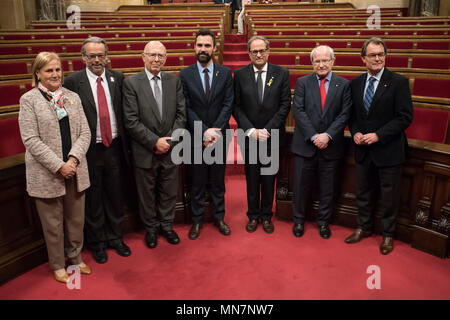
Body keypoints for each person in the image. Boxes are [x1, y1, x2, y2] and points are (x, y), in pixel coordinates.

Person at [18, 52, 91, 283]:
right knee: (53, 224)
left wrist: (73, 160)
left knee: (76, 220)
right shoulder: (29, 100)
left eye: (58, 69)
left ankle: (76, 257)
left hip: (75, 169)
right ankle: (58, 264)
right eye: (49, 70)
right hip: (47, 173)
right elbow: (30, 140)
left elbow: (85, 133)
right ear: (37, 73)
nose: (55, 74)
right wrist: (59, 166)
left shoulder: (72, 97)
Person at [63, 37, 131, 264]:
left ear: (107, 56)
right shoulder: (73, 82)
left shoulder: (117, 78)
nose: (96, 60)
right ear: (83, 57)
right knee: (94, 198)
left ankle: (116, 237)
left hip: (115, 147)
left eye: (101, 55)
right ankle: (98, 243)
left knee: (115, 194)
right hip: (88, 150)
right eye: (91, 55)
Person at [345, 37, 413, 255]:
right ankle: (363, 227)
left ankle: (388, 235)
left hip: (389, 149)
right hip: (363, 149)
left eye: (380, 54)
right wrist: (355, 132)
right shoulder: (355, 83)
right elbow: (352, 116)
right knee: (363, 191)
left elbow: (405, 117)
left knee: (389, 196)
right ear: (363, 59)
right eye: (372, 55)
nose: (377, 58)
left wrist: (378, 135)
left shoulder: (398, 82)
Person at [123, 41, 186, 249]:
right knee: (146, 193)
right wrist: (154, 142)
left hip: (170, 148)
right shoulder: (132, 83)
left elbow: (181, 114)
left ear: (166, 58)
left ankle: (167, 226)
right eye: (152, 55)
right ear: (143, 57)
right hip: (145, 150)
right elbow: (131, 121)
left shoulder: (173, 81)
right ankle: (150, 228)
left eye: (161, 55)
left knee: (169, 192)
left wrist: (169, 141)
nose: (156, 59)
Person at [291, 45, 351, 239]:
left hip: (331, 146)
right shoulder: (303, 83)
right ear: (312, 63)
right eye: (317, 61)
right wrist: (314, 136)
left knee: (328, 188)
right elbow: (298, 111)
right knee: (300, 187)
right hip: (305, 145)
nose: (321, 64)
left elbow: (345, 114)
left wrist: (328, 135)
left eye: (325, 60)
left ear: (333, 61)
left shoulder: (343, 84)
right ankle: (298, 221)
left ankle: (324, 223)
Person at [179, 28, 234, 240]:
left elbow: (228, 103)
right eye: (200, 45)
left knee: (218, 180)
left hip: (220, 136)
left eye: (207, 45)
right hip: (195, 137)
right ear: (194, 47)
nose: (203, 49)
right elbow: (186, 106)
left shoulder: (225, 73)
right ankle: (197, 220)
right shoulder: (185, 74)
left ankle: (219, 217)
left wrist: (215, 131)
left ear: (214, 48)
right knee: (198, 181)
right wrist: (203, 131)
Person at [233, 35, 291, 234]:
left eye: (261, 50)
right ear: (249, 53)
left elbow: (285, 105)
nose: (258, 54)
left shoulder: (281, 73)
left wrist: (267, 129)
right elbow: (236, 106)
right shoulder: (240, 74)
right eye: (254, 51)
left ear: (268, 51)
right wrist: (250, 130)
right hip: (249, 137)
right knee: (251, 179)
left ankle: (266, 215)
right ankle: (253, 215)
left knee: (268, 178)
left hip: (271, 136)